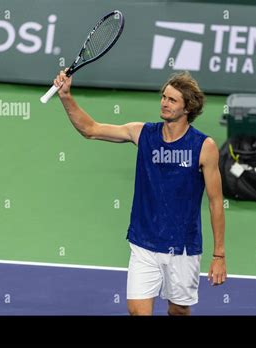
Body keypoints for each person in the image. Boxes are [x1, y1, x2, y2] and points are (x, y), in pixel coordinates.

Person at [53, 70, 226, 315]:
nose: (164, 103)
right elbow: (91, 129)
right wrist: (66, 96)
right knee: (137, 310)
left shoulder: (204, 147)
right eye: (164, 97)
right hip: (144, 242)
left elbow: (216, 202)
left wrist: (219, 254)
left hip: (183, 246)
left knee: (178, 310)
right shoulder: (142, 133)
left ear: (188, 108)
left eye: (172, 100)